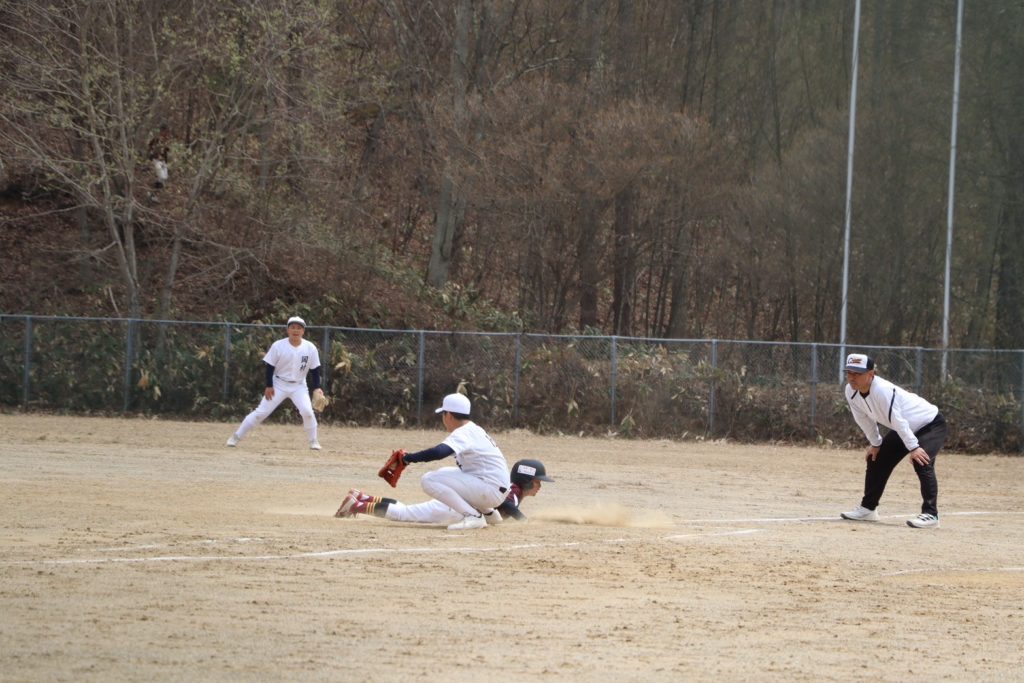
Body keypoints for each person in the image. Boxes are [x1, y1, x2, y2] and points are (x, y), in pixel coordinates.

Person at [335, 392, 512, 530]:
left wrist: (408, 458)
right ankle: (363, 499)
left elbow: (439, 452)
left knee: (426, 483)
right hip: (490, 490)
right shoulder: (474, 430)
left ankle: (473, 516)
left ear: (449, 415)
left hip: (487, 490)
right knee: (441, 474)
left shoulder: (464, 432)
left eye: (443, 415)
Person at [839, 353, 948, 529]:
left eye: (857, 373)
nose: (852, 377)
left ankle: (931, 514)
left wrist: (914, 447)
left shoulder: (882, 390)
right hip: (905, 427)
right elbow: (863, 419)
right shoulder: (850, 391)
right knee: (876, 457)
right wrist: (876, 443)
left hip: (930, 424)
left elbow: (898, 421)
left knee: (921, 460)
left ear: (871, 374)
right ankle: (868, 509)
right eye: (849, 372)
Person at [335, 458, 553, 528]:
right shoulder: (513, 492)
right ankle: (357, 506)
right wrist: (522, 520)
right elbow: (506, 505)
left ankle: (363, 497)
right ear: (526, 481)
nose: (540, 486)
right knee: (404, 514)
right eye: (537, 482)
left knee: (406, 509)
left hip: (458, 506)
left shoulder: (513, 490)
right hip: (455, 510)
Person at [226, 316, 324, 450]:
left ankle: (313, 441)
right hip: (279, 384)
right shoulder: (278, 345)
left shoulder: (310, 348)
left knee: (307, 412)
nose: (295, 330)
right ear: (288, 330)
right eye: (293, 327)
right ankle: (236, 437)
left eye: (299, 328)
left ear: (303, 331)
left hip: (299, 386)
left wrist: (317, 388)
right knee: (261, 412)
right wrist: (269, 385)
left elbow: (315, 369)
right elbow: (270, 367)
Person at [147, 123, 171, 190]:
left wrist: (167, 148)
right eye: (165, 131)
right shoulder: (156, 139)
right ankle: (158, 185)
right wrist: (151, 152)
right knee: (161, 174)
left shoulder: (166, 140)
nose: (166, 133)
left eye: (167, 131)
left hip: (163, 160)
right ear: (161, 131)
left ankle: (157, 185)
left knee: (165, 176)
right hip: (156, 159)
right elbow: (150, 145)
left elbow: (167, 149)